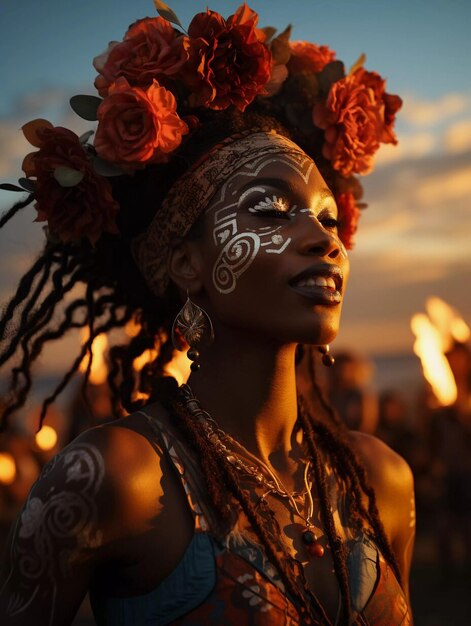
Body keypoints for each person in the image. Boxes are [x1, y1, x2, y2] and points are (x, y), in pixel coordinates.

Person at [0, 3, 414, 624]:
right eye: (271, 209)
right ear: (188, 266)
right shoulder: (113, 477)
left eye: (329, 219)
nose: (326, 240)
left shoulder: (381, 480)